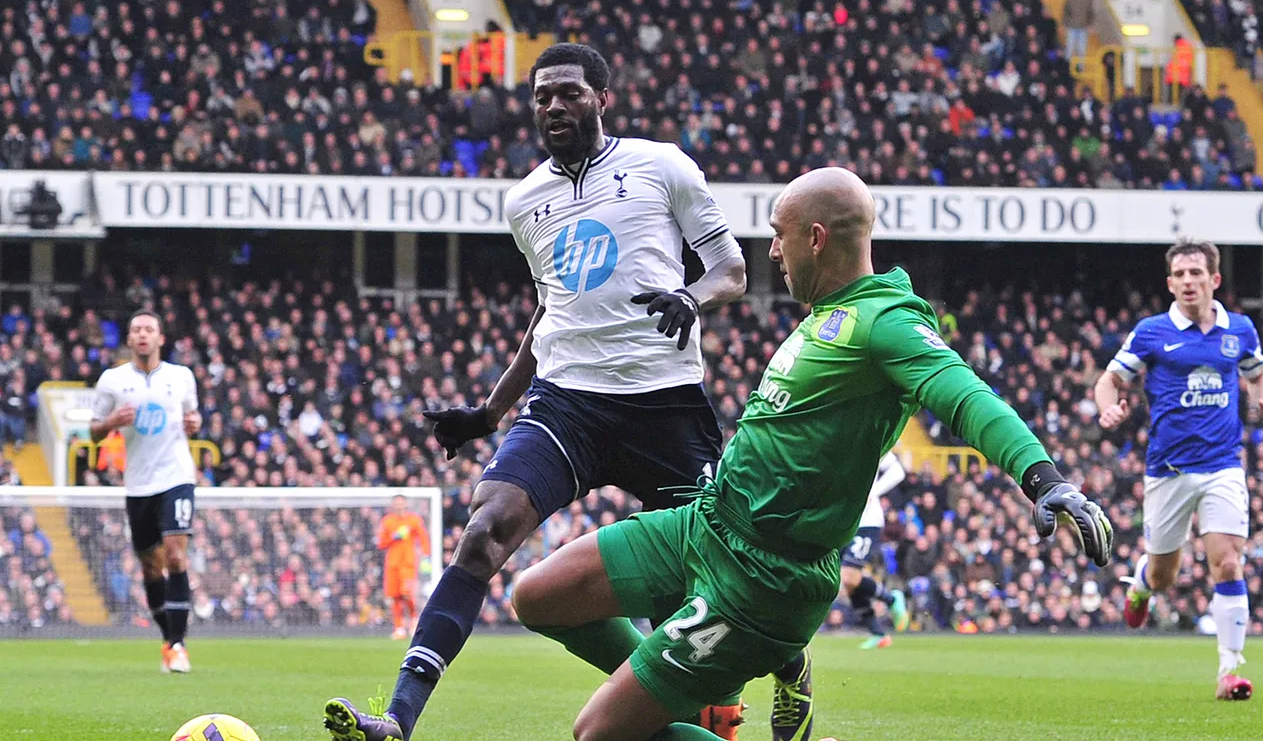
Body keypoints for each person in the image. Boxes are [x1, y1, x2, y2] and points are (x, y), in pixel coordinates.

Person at [503, 167, 1114, 741]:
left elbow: (967, 397)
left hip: (764, 578)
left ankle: (711, 676)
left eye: (778, 235)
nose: (771, 251)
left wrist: (1044, 480)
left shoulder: (887, 323)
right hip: (706, 525)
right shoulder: (830, 313)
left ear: (816, 238)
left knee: (596, 733)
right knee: (536, 595)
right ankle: (701, 688)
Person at [324, 42, 816, 741]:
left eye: (569, 93)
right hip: (567, 404)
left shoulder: (661, 165)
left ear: (601, 99)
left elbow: (730, 268)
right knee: (483, 533)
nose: (554, 105)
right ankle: (399, 719)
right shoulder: (525, 201)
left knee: (707, 590)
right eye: (541, 96)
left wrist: (690, 295)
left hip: (663, 405)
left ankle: (785, 662)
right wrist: (491, 412)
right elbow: (549, 308)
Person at [1096, 239, 1263, 700]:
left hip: (1223, 465)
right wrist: (1107, 409)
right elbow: (1111, 379)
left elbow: (1258, 372)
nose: (1187, 282)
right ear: (1169, 283)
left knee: (1227, 562)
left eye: (1195, 273)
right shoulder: (1151, 332)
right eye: (1179, 275)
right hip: (1168, 470)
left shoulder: (1238, 329)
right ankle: (1142, 583)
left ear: (1214, 280)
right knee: (1166, 576)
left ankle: (1229, 671)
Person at [89, 309, 202, 673]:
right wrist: (110, 423)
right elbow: (92, 431)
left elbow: (193, 422)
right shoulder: (112, 380)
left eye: (148, 329)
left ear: (160, 337)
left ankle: (179, 645)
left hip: (177, 476)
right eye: (136, 329)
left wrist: (194, 424)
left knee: (175, 555)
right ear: (129, 338)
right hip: (138, 483)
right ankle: (168, 641)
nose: (142, 335)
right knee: (151, 567)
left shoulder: (181, 377)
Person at [843, 451, 908, 650]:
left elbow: (897, 471)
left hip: (866, 521)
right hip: (841, 522)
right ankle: (878, 633)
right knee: (849, 581)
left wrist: (874, 492)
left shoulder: (866, 439)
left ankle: (891, 599)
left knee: (848, 576)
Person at [379, 494, 429, 639]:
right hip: (392, 564)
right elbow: (381, 543)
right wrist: (393, 537)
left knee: (407, 593)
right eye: (397, 503)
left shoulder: (414, 520)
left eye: (401, 503)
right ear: (393, 505)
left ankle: (414, 620)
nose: (399, 506)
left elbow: (423, 538)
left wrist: (426, 556)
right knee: (394, 597)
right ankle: (399, 628)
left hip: (408, 563)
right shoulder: (387, 521)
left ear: (406, 504)